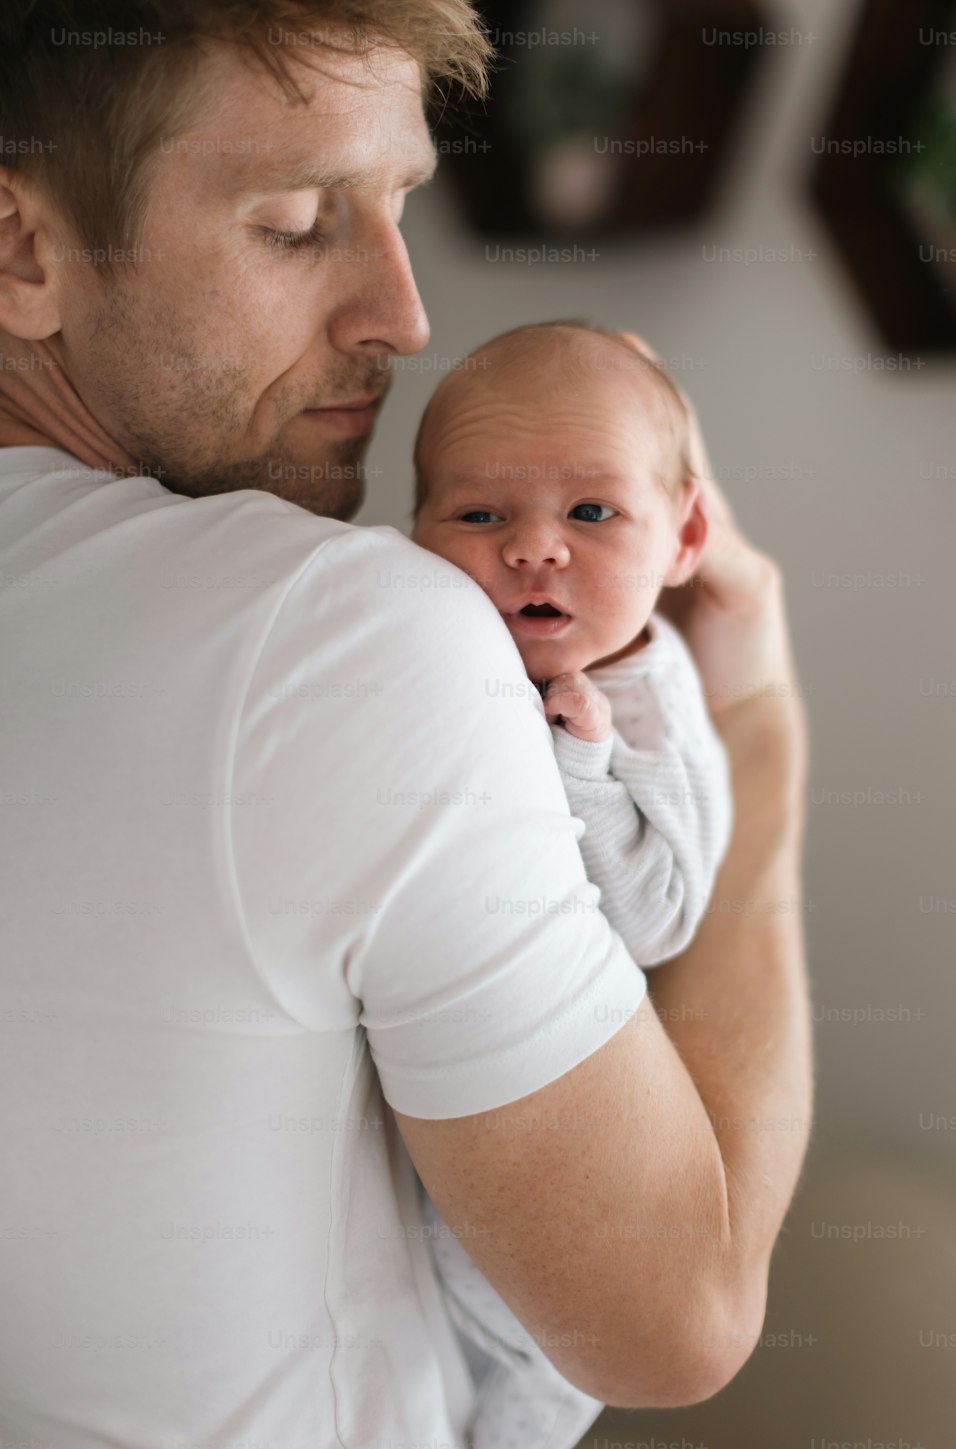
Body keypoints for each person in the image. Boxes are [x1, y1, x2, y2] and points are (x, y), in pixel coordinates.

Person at [0, 6, 813, 1447]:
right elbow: (678, 1317)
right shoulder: (338, 630)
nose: (407, 314)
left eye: (402, 207)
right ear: (22, 248)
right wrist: (754, 732)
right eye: (301, 223)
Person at [409, 319, 735, 1448]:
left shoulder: (648, 700)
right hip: (420, 1147)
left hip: (576, 1169)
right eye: (479, 514)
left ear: (684, 536)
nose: (534, 547)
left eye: (591, 512)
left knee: (534, 1392)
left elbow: (659, 917)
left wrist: (586, 769)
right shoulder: (430, 637)